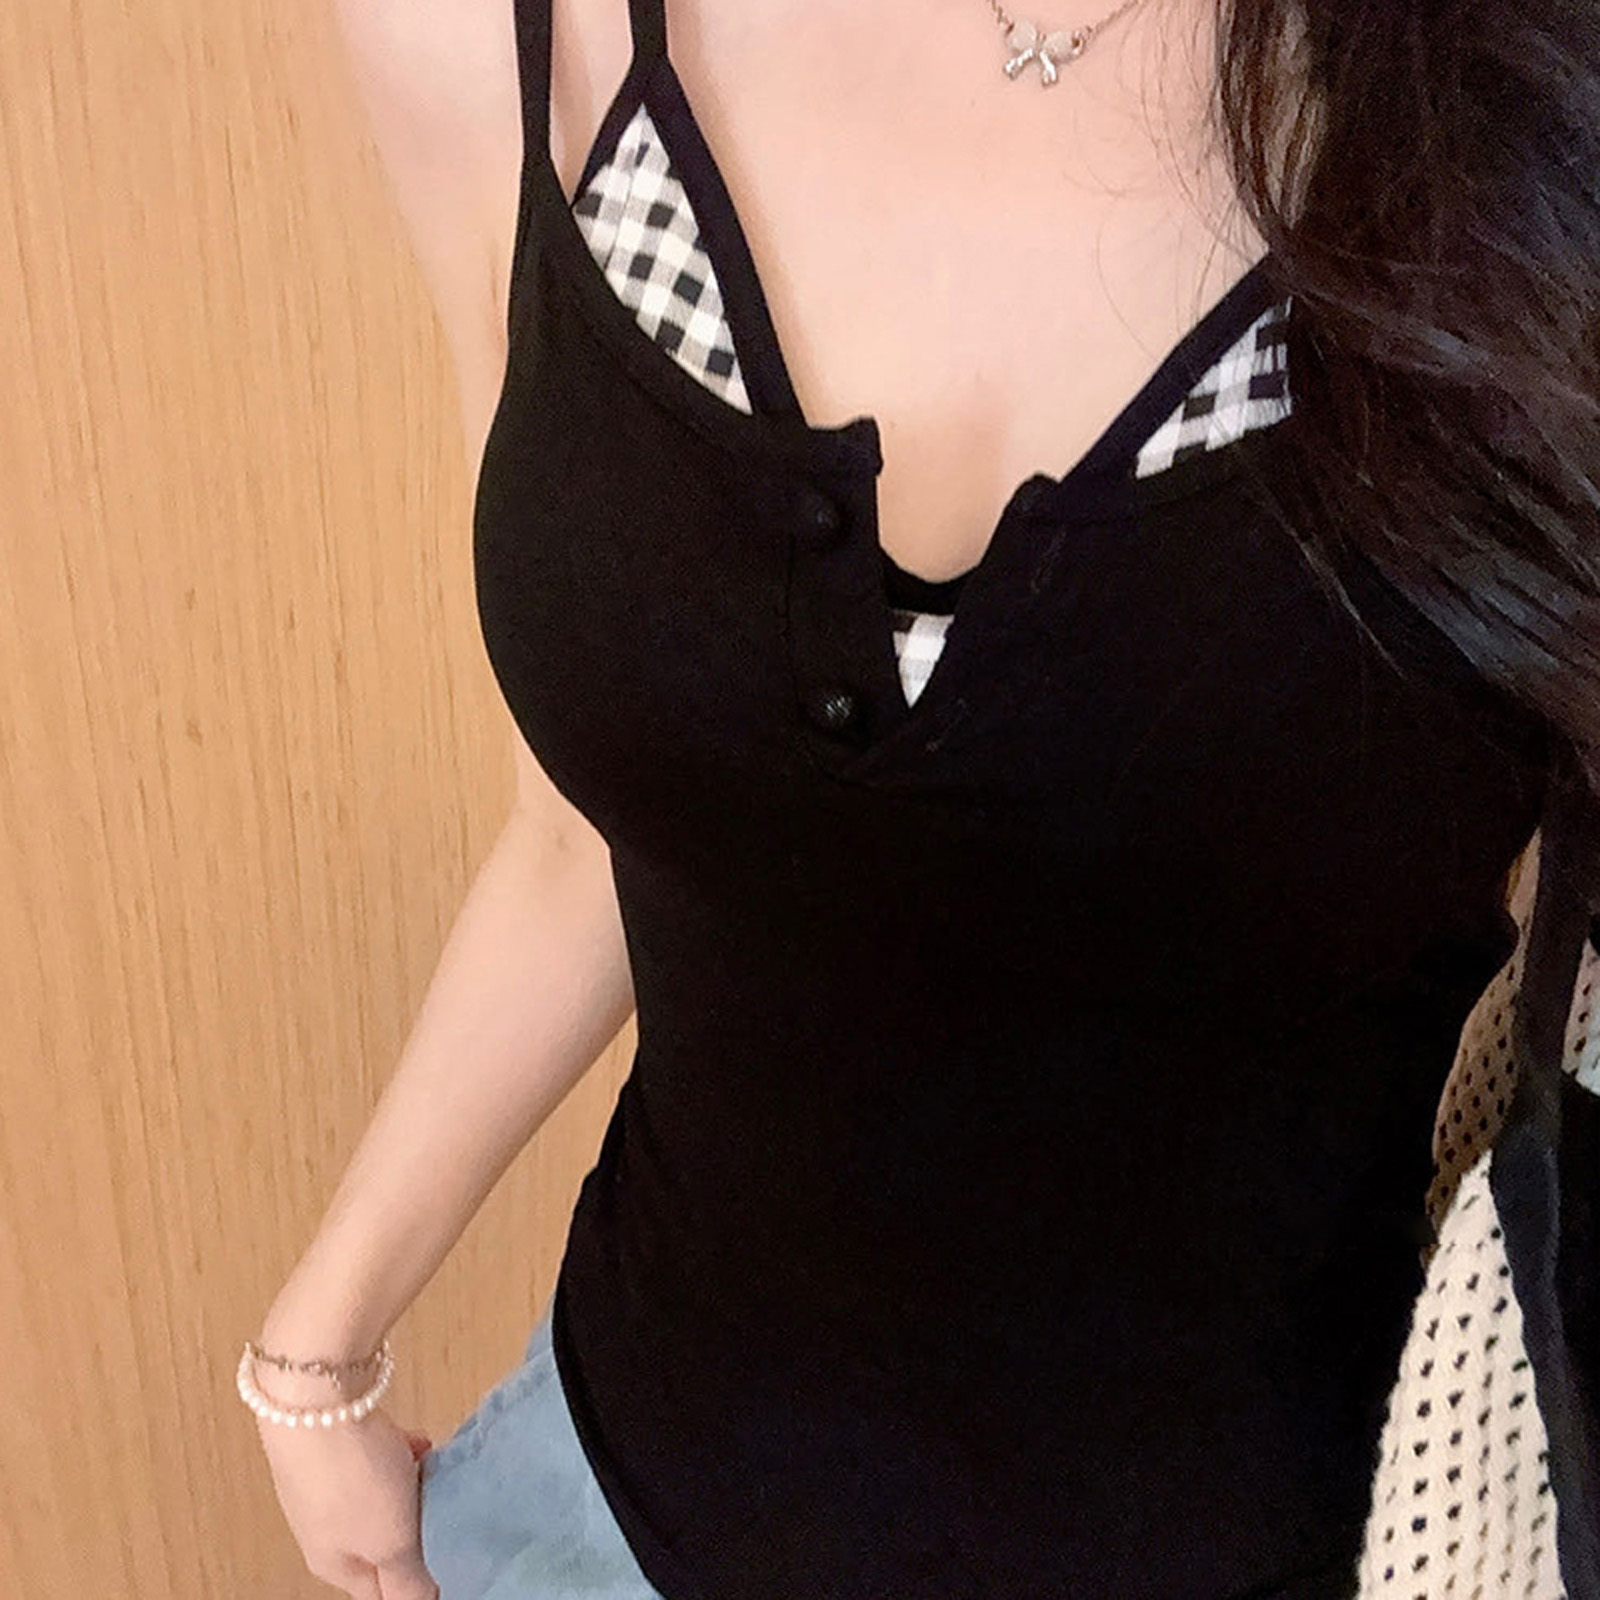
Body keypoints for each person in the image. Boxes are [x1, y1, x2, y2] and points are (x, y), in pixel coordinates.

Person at [243, 0, 1600, 1597]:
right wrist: (320, 1342)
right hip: (597, 1520)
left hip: (1339, 1542)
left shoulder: (1534, 98)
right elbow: (584, 828)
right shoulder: (492, 37)